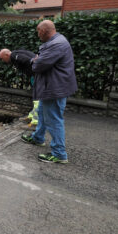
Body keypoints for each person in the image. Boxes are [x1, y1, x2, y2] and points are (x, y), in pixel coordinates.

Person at [21, 20, 77, 164]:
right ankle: (38, 138)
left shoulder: (56, 44)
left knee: (54, 120)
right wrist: (37, 59)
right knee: (42, 113)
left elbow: (37, 65)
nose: (38, 35)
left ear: (44, 31)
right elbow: (39, 60)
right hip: (53, 87)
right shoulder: (57, 41)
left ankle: (59, 154)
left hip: (54, 89)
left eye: (38, 31)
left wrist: (35, 61)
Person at [0, 48, 40, 128]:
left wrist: (34, 66)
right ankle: (31, 116)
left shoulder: (14, 56)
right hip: (35, 75)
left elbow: (28, 60)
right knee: (35, 97)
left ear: (6, 55)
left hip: (37, 76)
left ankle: (35, 121)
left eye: (2, 58)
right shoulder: (17, 52)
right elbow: (33, 55)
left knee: (37, 98)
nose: (2, 60)